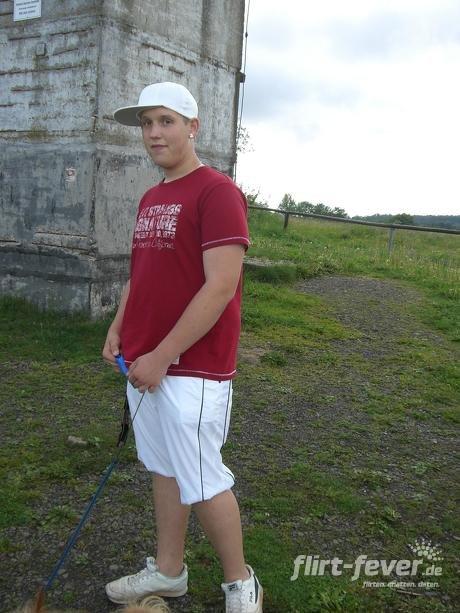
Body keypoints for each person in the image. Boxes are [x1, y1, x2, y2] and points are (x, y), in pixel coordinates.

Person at [102, 82, 263, 613]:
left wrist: (163, 354)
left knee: (202, 478)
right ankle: (169, 573)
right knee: (165, 468)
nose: (153, 133)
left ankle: (240, 585)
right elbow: (143, 275)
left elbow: (221, 286)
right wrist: (119, 328)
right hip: (144, 361)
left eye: (165, 121)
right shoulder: (151, 198)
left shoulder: (217, 192)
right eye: (146, 123)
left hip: (192, 367)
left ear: (193, 127)